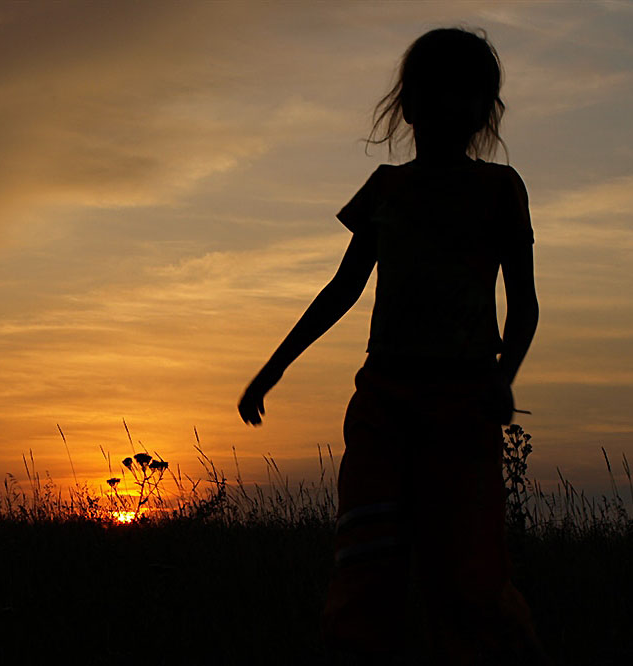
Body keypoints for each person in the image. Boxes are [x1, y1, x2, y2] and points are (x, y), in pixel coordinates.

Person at [237, 27, 552, 666]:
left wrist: (503, 377)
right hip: (383, 402)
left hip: (463, 404)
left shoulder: (500, 190)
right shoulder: (386, 190)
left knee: (470, 576)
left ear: (482, 109)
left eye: (465, 95)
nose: (448, 108)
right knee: (364, 567)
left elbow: (525, 304)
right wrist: (270, 370)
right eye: (435, 93)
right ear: (409, 105)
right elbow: (341, 291)